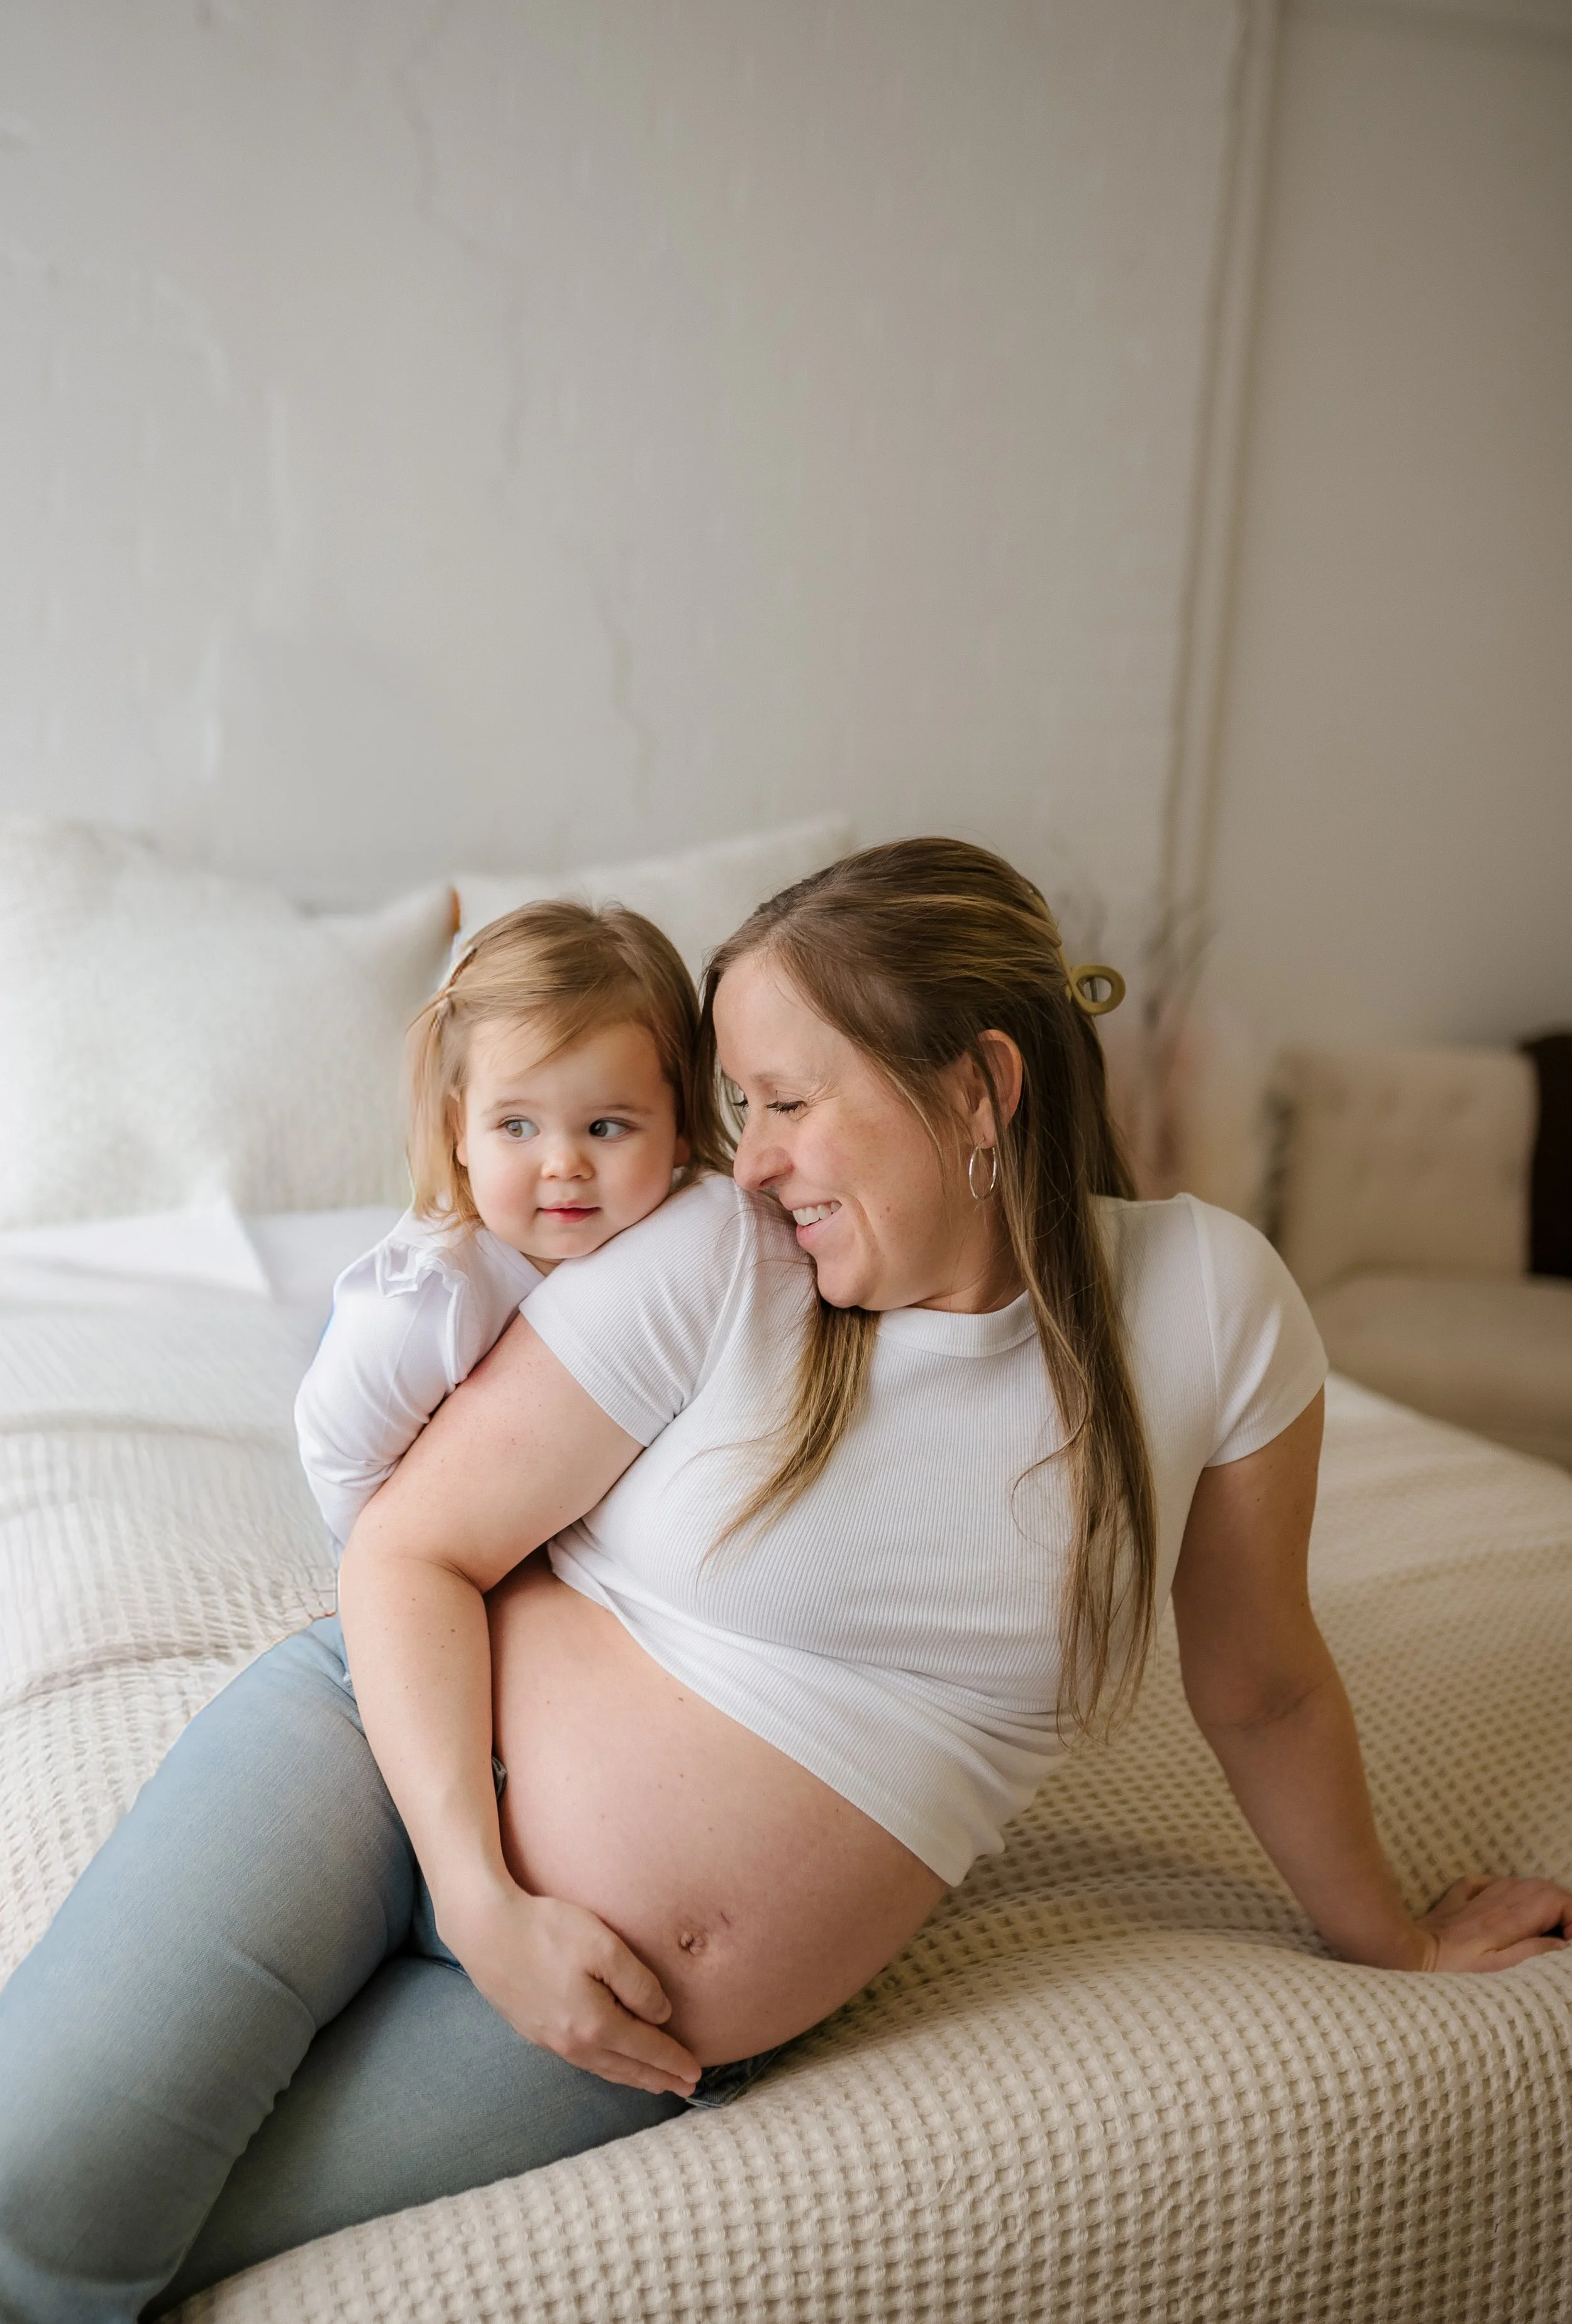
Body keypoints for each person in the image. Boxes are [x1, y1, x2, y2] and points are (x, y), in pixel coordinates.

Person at [1, 839, 1566, 2321]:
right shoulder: (716, 1253)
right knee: (40, 2197)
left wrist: (1397, 1945)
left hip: (613, 2025)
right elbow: (412, 1544)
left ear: (979, 1091)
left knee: (124, 2244)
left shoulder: (1213, 1306)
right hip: (369, 1780)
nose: (745, 1165)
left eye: (784, 1103)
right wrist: (482, 1901)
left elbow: (1265, 1682)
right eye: (732, 1107)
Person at [294, 896, 727, 1551]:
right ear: (458, 1131)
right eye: (516, 1126)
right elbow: (340, 1459)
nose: (563, 1164)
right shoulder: (432, 1298)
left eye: (606, 1126)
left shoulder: (694, 1242)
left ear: (682, 1128)